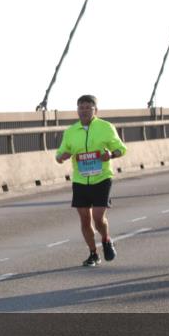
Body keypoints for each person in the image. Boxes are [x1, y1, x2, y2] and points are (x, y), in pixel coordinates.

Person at [55, 95, 127, 267]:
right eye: (81, 107)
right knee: (85, 220)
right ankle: (93, 253)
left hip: (102, 178)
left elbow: (121, 149)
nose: (84, 111)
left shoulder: (106, 127)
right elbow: (59, 154)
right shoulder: (71, 131)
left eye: (88, 107)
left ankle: (106, 239)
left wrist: (110, 154)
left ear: (96, 110)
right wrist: (61, 157)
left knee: (98, 217)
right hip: (80, 180)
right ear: (77, 110)